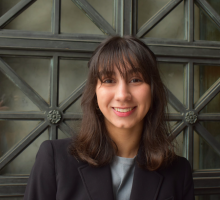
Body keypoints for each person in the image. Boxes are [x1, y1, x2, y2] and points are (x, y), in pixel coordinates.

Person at [24, 36, 195, 200]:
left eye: (135, 79)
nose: (122, 95)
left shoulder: (179, 171)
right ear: (95, 92)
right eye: (108, 80)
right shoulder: (54, 158)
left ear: (153, 91)